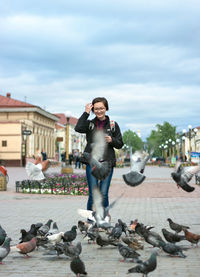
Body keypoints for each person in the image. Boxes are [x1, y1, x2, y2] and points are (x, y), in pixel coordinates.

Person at [75, 97, 124, 213]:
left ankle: (104, 219)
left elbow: (120, 144)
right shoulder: (89, 124)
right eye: (96, 109)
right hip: (91, 163)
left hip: (107, 163)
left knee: (103, 194)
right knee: (93, 193)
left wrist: (111, 140)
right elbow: (78, 128)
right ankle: (90, 220)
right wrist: (86, 113)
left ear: (106, 108)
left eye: (101, 108)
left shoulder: (113, 125)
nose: (99, 111)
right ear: (93, 110)